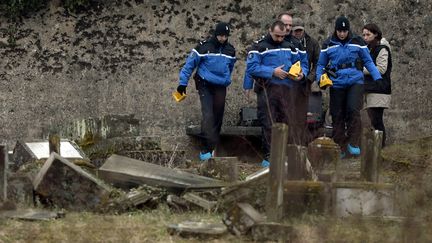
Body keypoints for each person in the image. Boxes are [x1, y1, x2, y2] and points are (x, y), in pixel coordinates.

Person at [244, 20, 309, 167]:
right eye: (277, 36)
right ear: (270, 30)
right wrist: (272, 71)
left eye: (282, 36)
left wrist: (301, 74)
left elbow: (302, 63)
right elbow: (252, 67)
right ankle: (269, 157)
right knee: (268, 123)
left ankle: (284, 155)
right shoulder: (259, 46)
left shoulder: (290, 46)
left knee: (286, 122)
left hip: (287, 90)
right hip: (267, 90)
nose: (280, 39)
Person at [315, 16, 382, 157]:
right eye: (339, 31)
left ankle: (353, 142)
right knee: (337, 114)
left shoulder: (358, 42)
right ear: (336, 30)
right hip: (336, 82)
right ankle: (339, 145)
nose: (342, 34)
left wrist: (377, 77)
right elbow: (321, 64)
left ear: (348, 30)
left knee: (353, 110)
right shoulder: (328, 44)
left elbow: (368, 61)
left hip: (355, 81)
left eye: (344, 31)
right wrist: (319, 78)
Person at [176, 22, 236, 161]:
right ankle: (205, 148)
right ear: (216, 34)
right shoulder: (204, 47)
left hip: (220, 84)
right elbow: (189, 65)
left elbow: (230, 67)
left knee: (218, 115)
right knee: (208, 114)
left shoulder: (230, 50)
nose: (222, 38)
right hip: (205, 83)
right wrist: (182, 84)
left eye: (225, 36)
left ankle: (212, 145)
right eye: (220, 35)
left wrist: (226, 78)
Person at [291, 17, 322, 144]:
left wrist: (309, 78)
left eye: (300, 30)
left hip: (304, 83)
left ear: (304, 30)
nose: (297, 33)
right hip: (288, 82)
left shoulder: (313, 43)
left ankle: (300, 144)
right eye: (295, 30)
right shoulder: (287, 41)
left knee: (301, 115)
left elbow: (318, 63)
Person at [362, 23, 392, 147]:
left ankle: (381, 146)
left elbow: (381, 69)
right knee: (373, 120)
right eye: (363, 35)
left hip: (379, 89)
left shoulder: (382, 49)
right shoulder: (370, 48)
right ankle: (378, 146)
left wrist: (362, 69)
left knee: (376, 120)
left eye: (368, 34)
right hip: (371, 88)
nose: (365, 37)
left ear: (376, 34)